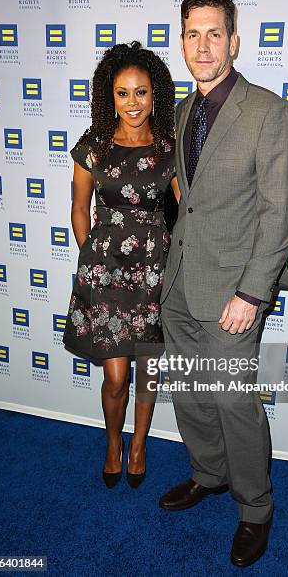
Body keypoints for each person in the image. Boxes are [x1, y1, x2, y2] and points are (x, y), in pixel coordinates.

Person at [159, 0, 288, 567]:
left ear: (234, 41)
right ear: (184, 42)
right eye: (192, 33)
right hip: (180, 284)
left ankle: (255, 508)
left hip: (233, 294)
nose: (202, 44)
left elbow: (281, 212)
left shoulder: (269, 112)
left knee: (233, 400)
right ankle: (207, 474)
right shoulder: (179, 112)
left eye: (214, 32)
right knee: (192, 394)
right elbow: (185, 202)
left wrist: (252, 292)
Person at [63, 41, 180, 489]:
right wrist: (90, 255)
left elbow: (186, 210)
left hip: (154, 268)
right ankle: (112, 442)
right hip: (106, 270)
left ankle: (138, 445)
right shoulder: (93, 145)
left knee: (148, 370)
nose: (133, 103)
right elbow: (79, 207)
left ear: (156, 95)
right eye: (123, 93)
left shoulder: (170, 149)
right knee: (116, 377)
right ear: (109, 96)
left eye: (142, 92)